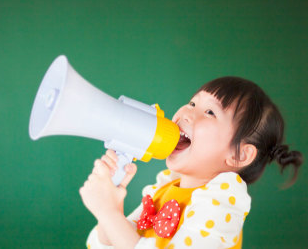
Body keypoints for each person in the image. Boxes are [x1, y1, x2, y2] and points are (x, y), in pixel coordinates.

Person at [79, 76, 303, 249]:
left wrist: (109, 213)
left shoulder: (223, 200)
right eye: (192, 102)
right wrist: (112, 208)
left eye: (209, 112)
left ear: (239, 156)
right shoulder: (164, 188)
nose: (187, 112)